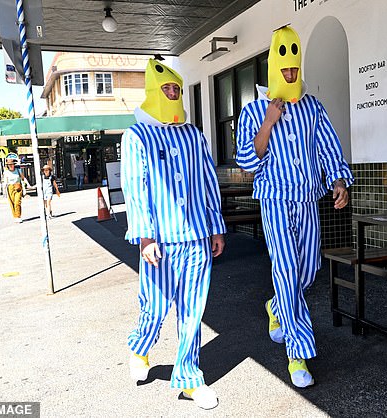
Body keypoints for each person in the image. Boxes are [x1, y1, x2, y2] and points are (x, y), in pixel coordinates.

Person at [236, 25, 354, 388]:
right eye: (284, 69)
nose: (290, 74)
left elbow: (328, 146)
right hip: (274, 199)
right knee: (286, 270)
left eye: (294, 68)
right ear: (274, 67)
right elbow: (246, 161)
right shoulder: (254, 110)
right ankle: (297, 352)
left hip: (307, 199)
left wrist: (337, 181)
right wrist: (269, 123)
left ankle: (276, 307)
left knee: (307, 269)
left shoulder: (312, 107)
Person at [121, 58, 226, 410]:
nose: (172, 93)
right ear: (153, 91)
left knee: (193, 311)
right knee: (155, 306)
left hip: (196, 236)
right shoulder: (136, 135)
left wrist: (216, 227)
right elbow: (136, 187)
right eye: (166, 88)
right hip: (160, 240)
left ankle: (189, 376)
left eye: (176, 89)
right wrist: (145, 237)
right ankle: (140, 347)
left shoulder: (193, 134)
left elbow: (209, 181)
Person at [2, 154, 28, 223]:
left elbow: (23, 178)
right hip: (10, 188)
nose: (11, 165)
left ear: (14, 164)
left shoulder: (18, 170)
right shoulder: (6, 172)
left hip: (18, 187)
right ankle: (15, 216)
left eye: (12, 164)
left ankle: (18, 216)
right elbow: (5, 182)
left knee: (17, 202)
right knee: (12, 203)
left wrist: (28, 185)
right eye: (9, 164)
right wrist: (3, 191)